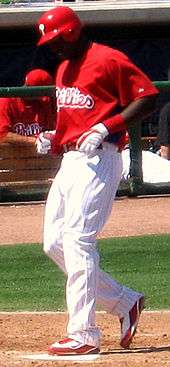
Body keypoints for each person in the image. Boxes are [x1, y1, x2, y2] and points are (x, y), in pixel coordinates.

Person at [35, 6, 159, 355]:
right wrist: (52, 138)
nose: (53, 46)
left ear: (73, 32)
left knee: (78, 239)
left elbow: (147, 96)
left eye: (57, 39)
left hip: (99, 159)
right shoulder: (62, 68)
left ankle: (84, 334)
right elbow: (73, 117)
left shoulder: (107, 59)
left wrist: (108, 126)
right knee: (54, 243)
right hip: (71, 161)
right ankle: (124, 302)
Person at [0, 68, 55, 147]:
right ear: (28, 86)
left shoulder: (45, 102)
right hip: (11, 155)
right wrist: (35, 141)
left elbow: (51, 129)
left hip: (39, 156)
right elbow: (2, 135)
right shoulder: (5, 102)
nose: (43, 99)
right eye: (39, 95)